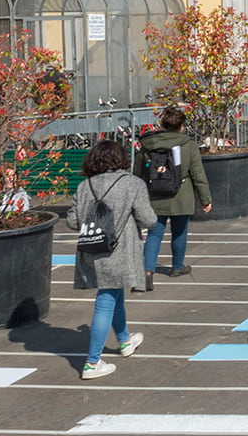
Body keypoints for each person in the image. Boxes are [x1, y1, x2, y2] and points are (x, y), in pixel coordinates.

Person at [69, 140, 157, 379]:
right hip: (119, 250)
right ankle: (92, 362)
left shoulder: (84, 186)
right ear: (120, 159)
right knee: (106, 301)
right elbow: (148, 219)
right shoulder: (132, 183)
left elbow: (72, 221)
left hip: (91, 249)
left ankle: (125, 339)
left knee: (114, 293)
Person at [136, 105, 212, 283]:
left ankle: (148, 270)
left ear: (162, 124)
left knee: (154, 233)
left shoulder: (148, 144)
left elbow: (138, 172)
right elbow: (198, 173)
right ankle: (177, 267)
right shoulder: (188, 145)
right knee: (179, 231)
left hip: (154, 193)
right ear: (181, 127)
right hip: (181, 193)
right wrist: (205, 198)